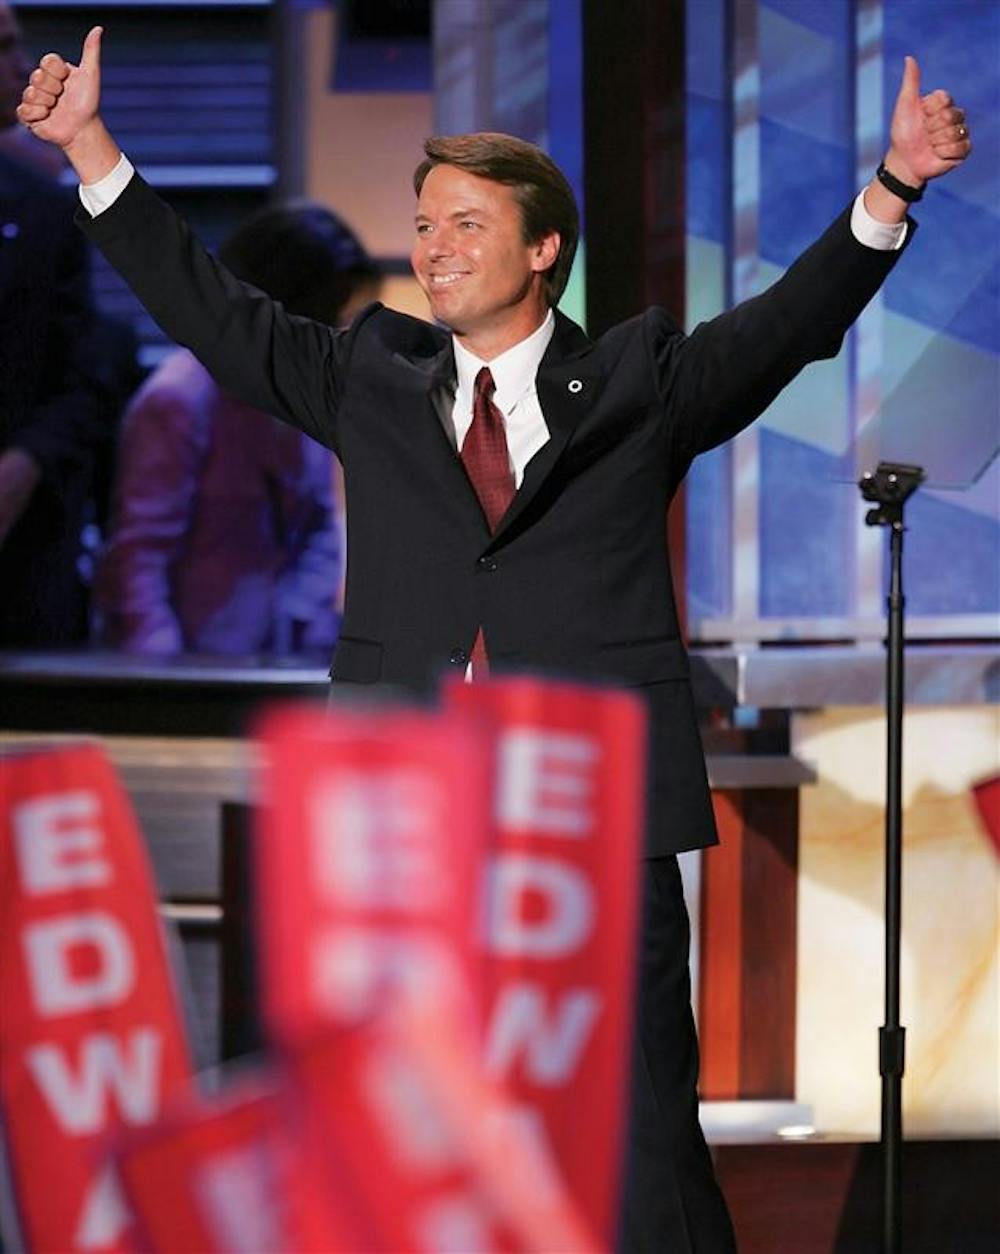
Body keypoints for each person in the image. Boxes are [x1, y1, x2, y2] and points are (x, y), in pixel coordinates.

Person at [18, 27, 972, 1252]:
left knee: (638, 1128)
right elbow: (216, 314)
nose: (434, 247)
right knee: (400, 1117)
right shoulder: (371, 372)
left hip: (593, 814)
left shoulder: (641, 379)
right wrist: (92, 147)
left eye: (467, 224)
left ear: (541, 251)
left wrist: (889, 188)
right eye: (423, 226)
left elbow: (789, 325)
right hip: (408, 808)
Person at [95, 202, 379, 655]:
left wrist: (311, 639)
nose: (332, 328)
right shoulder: (179, 399)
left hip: (280, 658)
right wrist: (162, 676)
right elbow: (137, 560)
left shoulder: (303, 389)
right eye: (326, 310)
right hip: (190, 665)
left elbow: (318, 529)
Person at [0, 3, 104, 646]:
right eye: (5, 46)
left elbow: (85, 375)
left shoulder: (42, 209)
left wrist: (24, 461)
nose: (23, 64)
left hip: (19, 566)